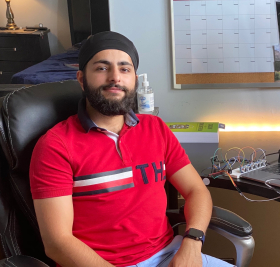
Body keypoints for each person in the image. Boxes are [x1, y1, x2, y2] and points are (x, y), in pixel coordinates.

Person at [29, 31, 234, 267]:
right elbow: (57, 242)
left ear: (135, 79)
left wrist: (192, 242)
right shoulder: (56, 145)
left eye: (124, 69)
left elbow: (197, 191)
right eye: (101, 68)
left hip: (169, 254)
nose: (115, 77)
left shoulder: (155, 128)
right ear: (81, 78)